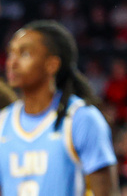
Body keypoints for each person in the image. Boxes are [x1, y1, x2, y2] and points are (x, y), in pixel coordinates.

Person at [0, 20, 119, 195]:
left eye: (24, 54)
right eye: (11, 53)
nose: (12, 62)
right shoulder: (3, 121)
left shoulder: (81, 118)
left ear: (52, 65)